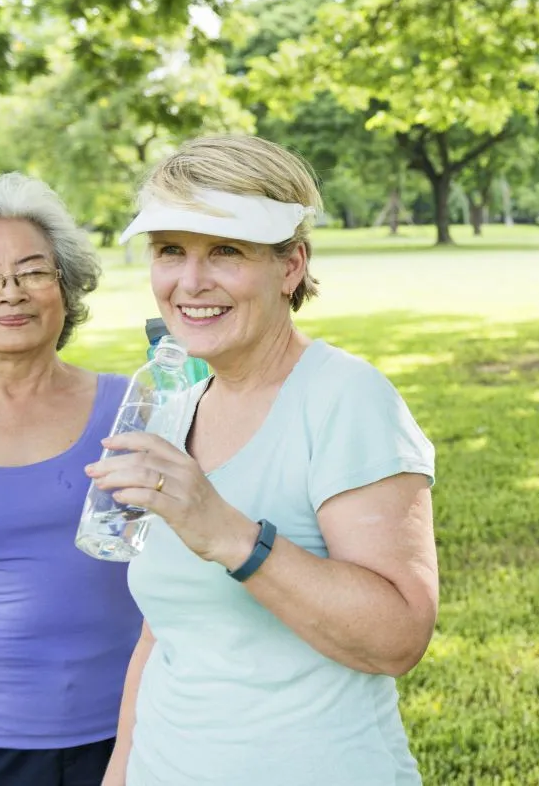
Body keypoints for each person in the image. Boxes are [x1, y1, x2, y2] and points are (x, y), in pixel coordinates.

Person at [87, 136, 438, 786]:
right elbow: (162, 634)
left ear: (290, 265)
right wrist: (118, 775)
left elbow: (398, 639)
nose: (190, 282)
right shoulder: (179, 405)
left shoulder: (346, 399)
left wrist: (229, 535)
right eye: (171, 251)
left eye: (225, 251)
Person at [0, 174, 139, 786]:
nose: (10, 293)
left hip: (138, 725)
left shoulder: (140, 411)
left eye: (33, 272)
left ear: (65, 290)